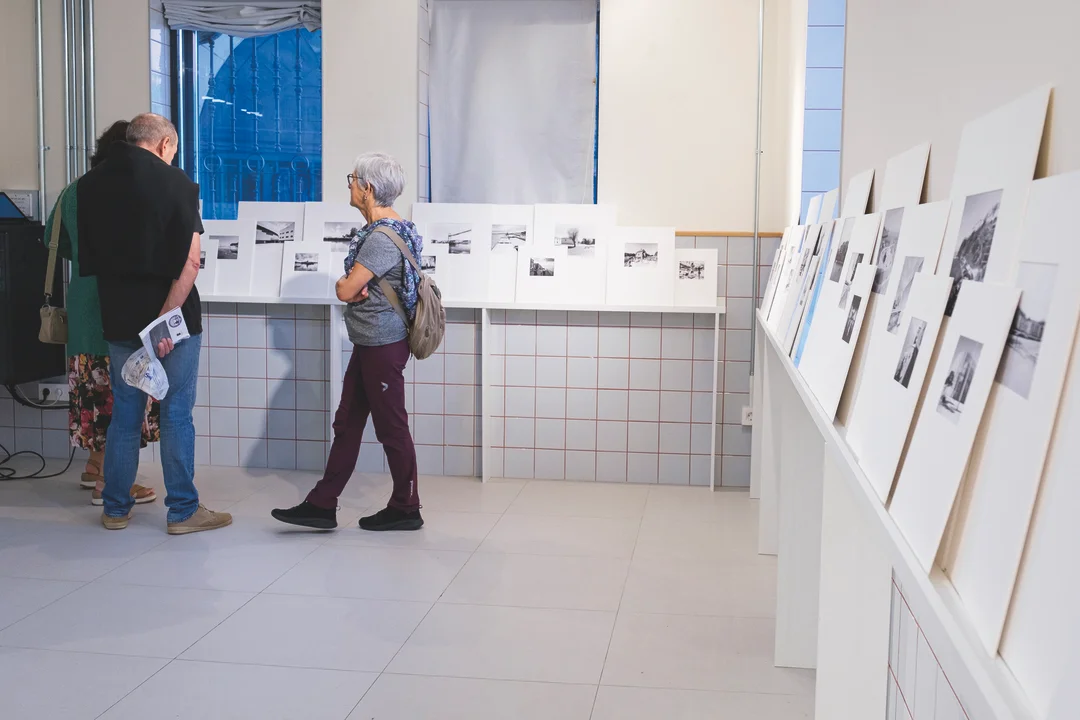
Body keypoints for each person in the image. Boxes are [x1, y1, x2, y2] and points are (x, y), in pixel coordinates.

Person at [77, 112, 231, 534]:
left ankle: (115, 508)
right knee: (176, 413)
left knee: (126, 414)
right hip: (174, 322)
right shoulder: (176, 183)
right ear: (165, 144)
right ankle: (183, 511)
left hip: (119, 319)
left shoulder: (90, 185)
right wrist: (165, 319)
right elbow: (191, 262)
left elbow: (88, 256)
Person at [272, 152, 423, 532]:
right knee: (347, 423)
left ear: (367, 188)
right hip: (371, 343)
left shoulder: (381, 238)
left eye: (352, 179)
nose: (350, 185)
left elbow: (345, 289)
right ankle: (322, 504)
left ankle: (407, 507)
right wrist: (353, 286)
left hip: (382, 344)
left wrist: (347, 285)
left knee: (391, 427)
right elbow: (355, 288)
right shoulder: (393, 229)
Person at [42, 120, 158, 506]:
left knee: (92, 386)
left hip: (82, 303)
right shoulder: (124, 189)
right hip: (117, 302)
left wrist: (83, 256)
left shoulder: (74, 190)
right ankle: (110, 482)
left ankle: (94, 465)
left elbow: (52, 239)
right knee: (117, 391)